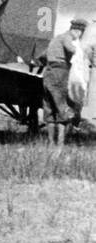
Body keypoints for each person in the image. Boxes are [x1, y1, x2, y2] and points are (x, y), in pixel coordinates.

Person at [42, 17, 87, 146]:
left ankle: (51, 144)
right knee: (62, 107)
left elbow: (42, 56)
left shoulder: (56, 38)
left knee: (49, 108)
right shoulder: (67, 37)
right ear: (78, 31)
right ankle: (60, 146)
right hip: (60, 72)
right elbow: (72, 49)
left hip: (48, 73)